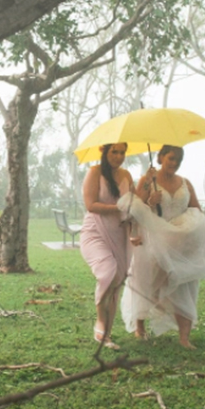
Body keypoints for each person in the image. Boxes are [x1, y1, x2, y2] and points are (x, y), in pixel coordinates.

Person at [120, 145, 205, 349]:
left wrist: (191, 226)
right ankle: (140, 327)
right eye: (171, 158)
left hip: (181, 244)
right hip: (154, 241)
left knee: (184, 285)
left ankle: (184, 337)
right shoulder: (147, 181)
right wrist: (150, 201)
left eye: (179, 160)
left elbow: (196, 208)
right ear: (161, 157)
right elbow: (134, 210)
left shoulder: (185, 183)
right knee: (148, 281)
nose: (174, 163)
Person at [80, 142, 134, 350]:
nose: (119, 156)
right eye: (114, 152)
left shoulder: (127, 176)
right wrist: (118, 207)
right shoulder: (94, 172)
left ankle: (106, 334)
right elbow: (91, 205)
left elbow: (135, 204)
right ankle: (100, 320)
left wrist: (149, 191)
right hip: (95, 232)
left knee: (117, 281)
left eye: (122, 152)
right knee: (107, 273)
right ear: (103, 151)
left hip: (119, 233)